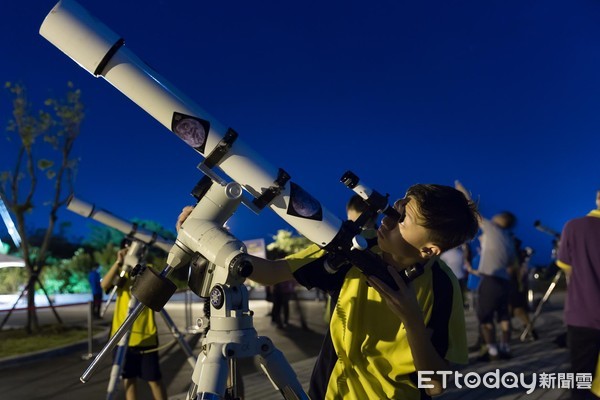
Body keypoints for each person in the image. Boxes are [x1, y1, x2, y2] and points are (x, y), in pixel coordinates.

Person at [177, 183, 479, 399]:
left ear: (429, 249)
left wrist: (412, 320)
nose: (388, 217)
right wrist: (210, 236)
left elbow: (436, 384)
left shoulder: (442, 286)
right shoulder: (354, 249)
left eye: (403, 219)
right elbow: (272, 272)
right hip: (329, 391)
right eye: (396, 207)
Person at [455, 180, 518, 361]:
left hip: (490, 281)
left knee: (485, 318)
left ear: (502, 220)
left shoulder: (493, 229)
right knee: (504, 317)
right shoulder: (508, 239)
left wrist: (462, 191)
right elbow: (512, 264)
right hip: (504, 282)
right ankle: (505, 347)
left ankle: (491, 351)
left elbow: (474, 212)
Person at [101, 240, 168, 400]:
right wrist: (119, 262)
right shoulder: (121, 273)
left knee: (154, 380)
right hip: (121, 338)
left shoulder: (147, 269)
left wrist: (140, 266)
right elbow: (105, 285)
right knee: (128, 381)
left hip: (146, 337)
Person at [556, 189, 600, 400]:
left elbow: (566, 266)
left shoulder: (574, 226)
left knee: (581, 379)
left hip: (583, 314)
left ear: (598, 199)